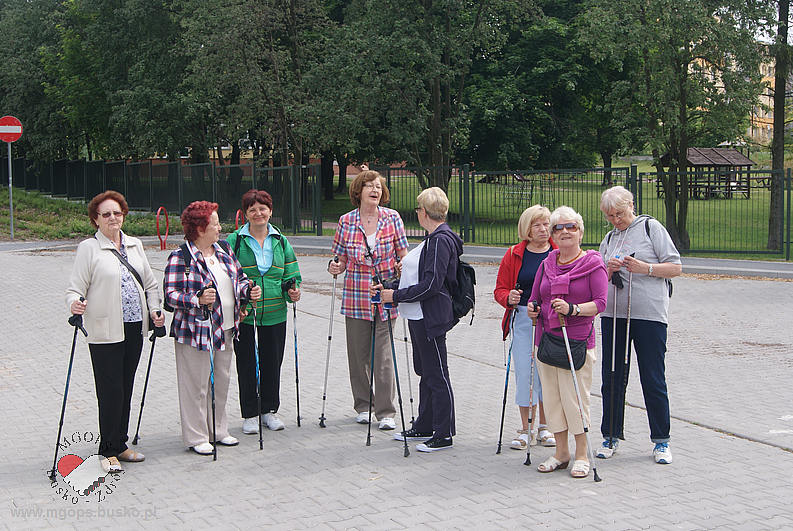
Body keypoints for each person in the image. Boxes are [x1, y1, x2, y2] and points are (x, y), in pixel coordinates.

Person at [66, 191, 165, 473]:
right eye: (106, 214)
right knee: (110, 390)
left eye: (117, 213)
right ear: (95, 219)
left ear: (124, 215)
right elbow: (75, 287)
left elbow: (150, 284)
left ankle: (120, 443)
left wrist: (155, 309)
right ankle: (106, 450)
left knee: (126, 386)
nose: (113, 218)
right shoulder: (89, 248)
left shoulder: (135, 246)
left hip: (134, 328)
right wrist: (74, 303)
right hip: (104, 330)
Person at [164, 201, 261, 455]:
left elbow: (238, 279)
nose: (220, 227)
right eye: (215, 223)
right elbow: (170, 295)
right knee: (196, 385)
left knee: (221, 382)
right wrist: (196, 300)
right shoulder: (181, 257)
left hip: (226, 327)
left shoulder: (224, 250)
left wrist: (247, 290)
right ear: (200, 227)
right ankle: (197, 436)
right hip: (195, 331)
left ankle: (218, 430)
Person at [596, 185, 682, 464]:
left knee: (652, 376)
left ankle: (661, 440)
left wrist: (645, 268)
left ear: (631, 205)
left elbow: (676, 267)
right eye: (610, 216)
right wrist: (607, 270)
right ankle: (610, 435)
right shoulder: (609, 238)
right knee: (612, 376)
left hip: (648, 315)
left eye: (619, 213)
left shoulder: (651, 228)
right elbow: (597, 281)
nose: (616, 220)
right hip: (614, 315)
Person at [374, 187, 463, 452]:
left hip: (430, 315)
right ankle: (424, 424)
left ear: (423, 212)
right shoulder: (432, 238)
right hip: (418, 314)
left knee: (437, 373)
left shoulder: (440, 240)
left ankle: (444, 432)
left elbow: (431, 284)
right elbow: (418, 277)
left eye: (417, 209)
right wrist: (390, 288)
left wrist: (395, 295)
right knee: (425, 371)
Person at [527, 206, 607, 478]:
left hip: (577, 341)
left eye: (570, 226)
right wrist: (533, 308)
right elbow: (536, 296)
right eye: (558, 228)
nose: (564, 232)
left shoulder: (593, 263)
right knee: (553, 399)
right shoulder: (547, 263)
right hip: (547, 340)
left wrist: (573, 309)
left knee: (575, 399)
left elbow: (600, 303)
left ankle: (582, 453)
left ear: (580, 231)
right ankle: (561, 453)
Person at [328, 170, 408, 430]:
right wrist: (335, 266)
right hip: (355, 294)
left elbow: (403, 254)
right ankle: (363, 405)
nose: (375, 190)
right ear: (359, 191)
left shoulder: (392, 218)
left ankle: (386, 411)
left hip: (385, 293)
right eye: (369, 186)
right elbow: (339, 257)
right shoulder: (346, 221)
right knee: (358, 353)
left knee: (383, 355)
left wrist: (401, 267)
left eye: (378, 187)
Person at [227, 189, 301, 434]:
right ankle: (249, 413)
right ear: (246, 213)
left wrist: (293, 290)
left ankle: (269, 410)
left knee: (272, 362)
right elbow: (226, 276)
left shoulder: (280, 240)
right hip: (245, 314)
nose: (258, 213)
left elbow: (292, 274)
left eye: (262, 208)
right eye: (252, 209)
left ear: (270, 211)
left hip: (276, 311)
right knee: (246, 362)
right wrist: (242, 296)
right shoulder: (234, 240)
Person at [494, 205, 556, 451]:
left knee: (548, 373)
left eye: (546, 223)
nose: (543, 229)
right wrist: (508, 297)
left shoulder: (558, 252)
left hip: (551, 320)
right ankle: (525, 427)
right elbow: (500, 289)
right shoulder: (514, 254)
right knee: (525, 373)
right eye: (537, 225)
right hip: (522, 320)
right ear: (527, 229)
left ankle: (546, 426)